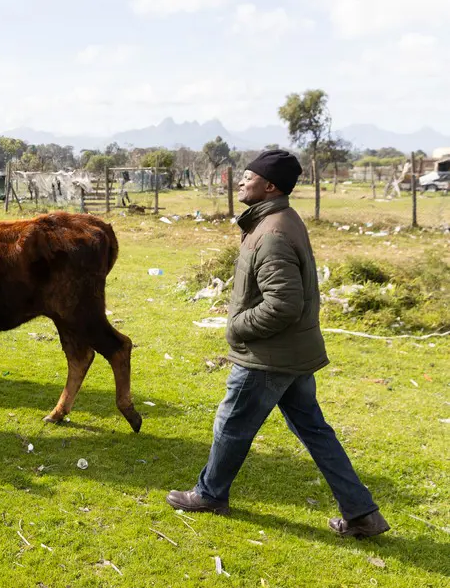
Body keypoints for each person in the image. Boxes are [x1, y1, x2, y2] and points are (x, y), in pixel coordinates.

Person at [166, 150, 389, 539]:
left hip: (268, 356)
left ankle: (209, 494)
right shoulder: (279, 219)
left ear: (269, 186)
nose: (240, 181)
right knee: (315, 431)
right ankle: (362, 514)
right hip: (291, 352)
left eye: (248, 176)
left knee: (231, 424)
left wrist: (238, 327)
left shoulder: (271, 233)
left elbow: (283, 304)